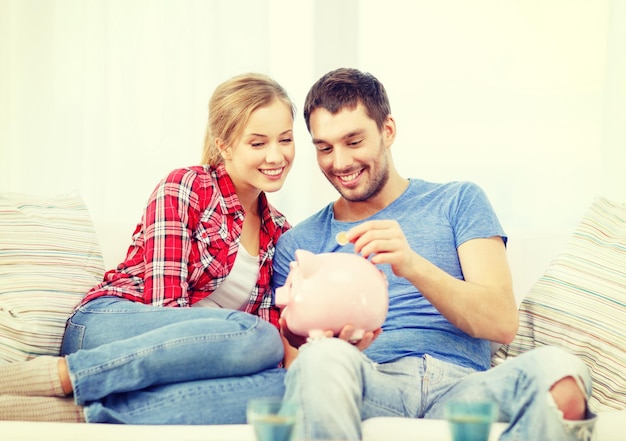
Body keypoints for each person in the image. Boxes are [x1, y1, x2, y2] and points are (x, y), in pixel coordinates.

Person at [273, 67, 596, 441]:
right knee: (320, 361)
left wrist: (412, 266)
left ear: (388, 130)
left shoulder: (458, 201)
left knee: (562, 372)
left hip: (464, 389)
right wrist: (335, 348)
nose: (340, 162)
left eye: (354, 141)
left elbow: (502, 322)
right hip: (370, 381)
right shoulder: (300, 242)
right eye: (325, 148)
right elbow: (298, 373)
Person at [0, 72, 294, 424]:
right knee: (261, 338)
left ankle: (78, 414)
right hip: (111, 326)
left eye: (286, 139)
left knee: (282, 385)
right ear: (225, 145)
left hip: (185, 354)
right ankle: (53, 376)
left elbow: (253, 346)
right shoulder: (186, 187)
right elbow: (165, 307)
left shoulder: (279, 232)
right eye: (258, 143)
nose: (276, 155)